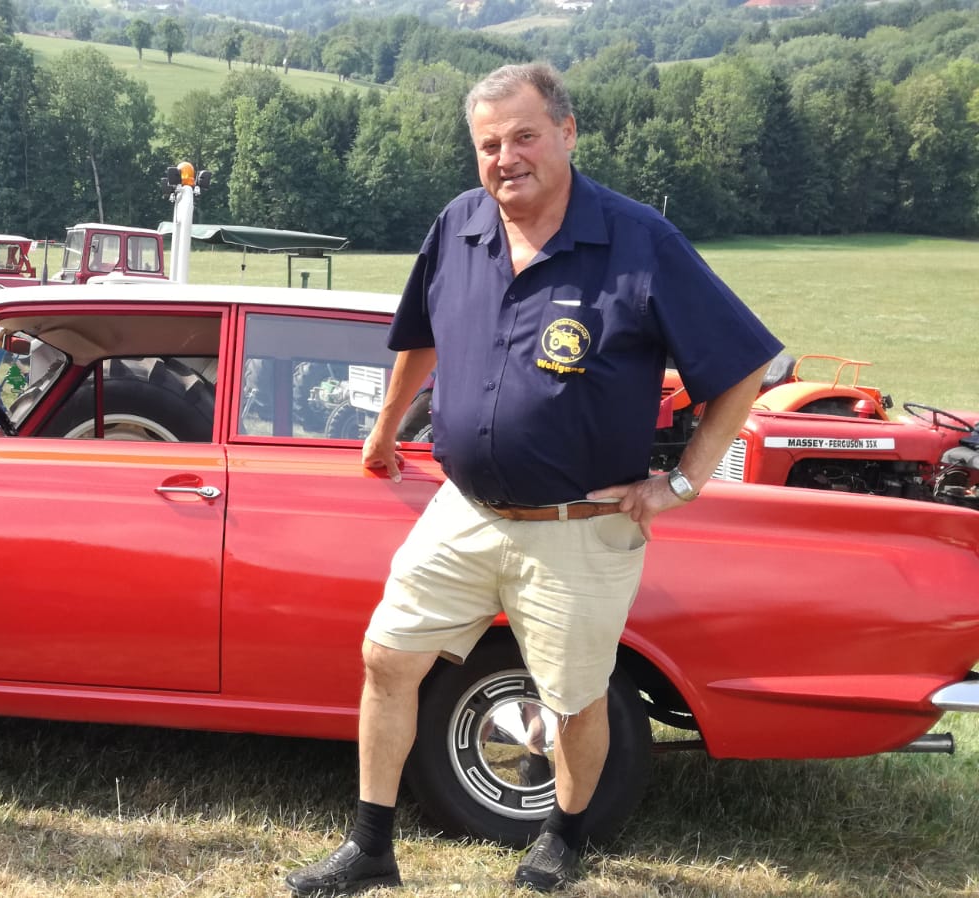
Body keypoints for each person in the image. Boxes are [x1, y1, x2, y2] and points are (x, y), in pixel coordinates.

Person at [284, 62, 781, 895]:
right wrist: (382, 430)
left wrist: (684, 482)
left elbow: (744, 366)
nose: (505, 157)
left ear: (567, 132)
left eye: (523, 136)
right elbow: (420, 337)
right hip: (464, 508)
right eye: (488, 144)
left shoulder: (637, 239)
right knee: (386, 657)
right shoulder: (460, 225)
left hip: (579, 525)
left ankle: (565, 836)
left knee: (574, 699)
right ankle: (371, 848)